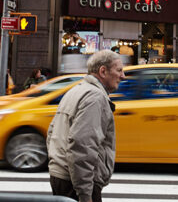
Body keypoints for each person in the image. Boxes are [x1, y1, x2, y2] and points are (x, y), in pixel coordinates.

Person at [47, 50, 125, 202]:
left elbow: (52, 133)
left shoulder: (76, 90)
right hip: (76, 182)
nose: (123, 76)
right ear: (103, 71)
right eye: (119, 70)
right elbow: (82, 145)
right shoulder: (95, 98)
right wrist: (85, 193)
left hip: (63, 176)